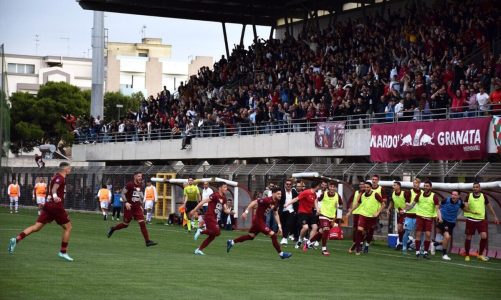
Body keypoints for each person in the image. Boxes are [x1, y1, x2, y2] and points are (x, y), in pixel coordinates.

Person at [8, 162, 74, 261]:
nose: (70, 170)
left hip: (49, 206)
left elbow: (53, 187)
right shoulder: (60, 178)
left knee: (37, 227)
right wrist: (55, 197)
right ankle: (63, 252)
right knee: (68, 227)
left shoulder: (56, 176)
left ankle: (16, 239)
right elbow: (54, 188)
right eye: (70, 168)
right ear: (66, 169)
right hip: (56, 207)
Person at [226, 187, 292, 259]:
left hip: (260, 221)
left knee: (251, 236)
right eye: (278, 194)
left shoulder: (276, 203)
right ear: (273, 194)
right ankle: (281, 254)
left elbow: (276, 213)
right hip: (258, 221)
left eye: (281, 194)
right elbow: (254, 202)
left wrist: (279, 225)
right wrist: (246, 212)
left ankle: (231, 242)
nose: (280, 195)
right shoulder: (266, 200)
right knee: (273, 235)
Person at [106, 172, 157, 247]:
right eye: (139, 176)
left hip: (137, 208)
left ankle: (147, 241)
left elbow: (139, 196)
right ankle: (113, 228)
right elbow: (122, 193)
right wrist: (126, 202)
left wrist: (141, 206)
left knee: (142, 223)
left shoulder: (140, 185)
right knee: (125, 225)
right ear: (135, 177)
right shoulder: (130, 184)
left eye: (141, 176)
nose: (140, 177)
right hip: (129, 208)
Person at [190, 182, 231, 255]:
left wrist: (231, 212)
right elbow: (203, 201)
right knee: (217, 232)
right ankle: (200, 231)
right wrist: (194, 210)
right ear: (220, 188)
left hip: (215, 217)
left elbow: (225, 209)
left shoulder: (224, 198)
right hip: (209, 216)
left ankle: (199, 250)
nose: (226, 189)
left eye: (226, 187)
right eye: (224, 187)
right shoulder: (215, 195)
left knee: (213, 236)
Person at [405, 180, 442, 259]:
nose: (425, 187)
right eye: (424, 186)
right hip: (419, 217)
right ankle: (417, 251)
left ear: (430, 187)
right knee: (418, 234)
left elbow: (437, 209)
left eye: (427, 186)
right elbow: (412, 205)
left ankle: (425, 252)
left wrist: (439, 217)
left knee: (428, 235)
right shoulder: (419, 194)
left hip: (428, 218)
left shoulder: (434, 196)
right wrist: (404, 210)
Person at [463, 182, 500, 262]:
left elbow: (489, 207)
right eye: (474, 187)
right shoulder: (468, 196)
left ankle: (480, 254)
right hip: (470, 219)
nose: (475, 188)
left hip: (481, 220)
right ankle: (467, 255)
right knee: (468, 237)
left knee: (484, 236)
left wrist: (495, 216)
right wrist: (469, 209)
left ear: (480, 188)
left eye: (476, 187)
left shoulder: (484, 196)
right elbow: (465, 208)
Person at [306, 181, 344, 256]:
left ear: (335, 188)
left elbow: (341, 206)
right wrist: (317, 209)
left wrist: (338, 206)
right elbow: (316, 200)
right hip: (323, 215)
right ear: (328, 187)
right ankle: (324, 249)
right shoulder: (324, 194)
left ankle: (308, 242)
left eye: (334, 187)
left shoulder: (337, 196)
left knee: (321, 232)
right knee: (326, 229)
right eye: (331, 187)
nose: (332, 188)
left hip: (331, 217)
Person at [352, 181, 385, 255]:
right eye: (365, 187)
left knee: (369, 232)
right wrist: (351, 210)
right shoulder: (362, 194)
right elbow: (358, 204)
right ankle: (358, 248)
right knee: (359, 230)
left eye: (368, 187)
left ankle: (366, 245)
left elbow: (383, 204)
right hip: (363, 215)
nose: (366, 188)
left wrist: (377, 212)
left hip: (372, 217)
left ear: (370, 188)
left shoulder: (375, 194)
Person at [285, 181, 320, 249]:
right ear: (316, 186)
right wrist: (287, 204)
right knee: (305, 227)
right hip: (302, 213)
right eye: (319, 186)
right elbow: (296, 199)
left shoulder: (314, 194)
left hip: (310, 213)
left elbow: (315, 201)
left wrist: (318, 209)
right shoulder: (306, 192)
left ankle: (309, 243)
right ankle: (300, 240)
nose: (319, 187)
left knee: (315, 227)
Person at [436, 190, 465, 260]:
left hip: (452, 223)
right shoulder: (446, 200)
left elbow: (465, 209)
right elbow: (438, 208)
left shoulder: (460, 203)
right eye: (452, 194)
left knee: (447, 238)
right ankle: (444, 254)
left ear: (458, 196)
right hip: (443, 220)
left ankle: (435, 244)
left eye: (455, 195)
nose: (453, 196)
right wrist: (439, 217)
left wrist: (473, 212)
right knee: (447, 237)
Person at [386, 181, 410, 250]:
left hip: (406, 213)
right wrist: (388, 209)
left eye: (395, 185)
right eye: (393, 185)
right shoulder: (393, 194)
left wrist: (404, 210)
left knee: (400, 228)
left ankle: (403, 242)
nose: (393, 186)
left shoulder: (404, 193)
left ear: (399, 186)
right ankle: (405, 241)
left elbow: (409, 203)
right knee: (400, 229)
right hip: (399, 213)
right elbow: (391, 202)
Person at [402, 178, 421, 254]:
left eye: (416, 183)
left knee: (419, 233)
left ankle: (418, 248)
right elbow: (406, 203)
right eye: (414, 183)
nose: (414, 184)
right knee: (407, 232)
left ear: (419, 184)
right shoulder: (409, 192)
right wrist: (410, 207)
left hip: (419, 216)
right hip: (409, 215)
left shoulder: (422, 193)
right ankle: (404, 247)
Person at [278, 178, 299, 245]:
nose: (288, 185)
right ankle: (285, 238)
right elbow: (277, 199)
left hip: (292, 211)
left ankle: (284, 238)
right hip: (283, 211)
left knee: (288, 224)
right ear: (285, 184)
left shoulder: (294, 192)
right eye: (287, 184)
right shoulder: (281, 191)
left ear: (292, 185)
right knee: (284, 225)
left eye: (290, 184)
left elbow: (297, 199)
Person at [346, 182, 364, 253]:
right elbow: (349, 200)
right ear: (359, 186)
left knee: (362, 230)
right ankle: (355, 242)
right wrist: (348, 208)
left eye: (363, 184)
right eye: (361, 184)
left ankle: (358, 243)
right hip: (356, 212)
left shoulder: (367, 194)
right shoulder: (356, 192)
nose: (362, 186)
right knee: (355, 228)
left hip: (363, 213)